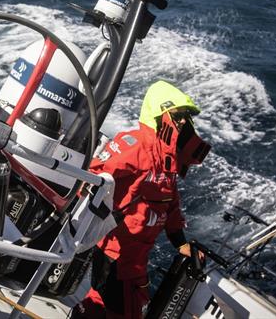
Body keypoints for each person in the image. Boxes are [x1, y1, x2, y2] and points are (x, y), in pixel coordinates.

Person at [74, 81, 211, 319]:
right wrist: (90, 195)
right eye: (178, 117)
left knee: (101, 304)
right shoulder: (135, 144)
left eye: (186, 118)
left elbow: (172, 206)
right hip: (115, 254)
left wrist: (180, 243)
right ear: (162, 115)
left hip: (136, 260)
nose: (183, 123)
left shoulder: (168, 163)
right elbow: (96, 174)